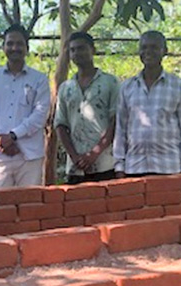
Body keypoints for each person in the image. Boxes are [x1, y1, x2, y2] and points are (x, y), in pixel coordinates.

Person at [113, 31, 181, 178]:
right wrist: (119, 165)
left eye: (154, 47)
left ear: (165, 51)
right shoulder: (127, 87)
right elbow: (121, 129)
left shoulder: (179, 86)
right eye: (144, 47)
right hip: (134, 167)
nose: (148, 52)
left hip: (169, 167)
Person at [0, 24, 51, 188]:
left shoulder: (39, 80)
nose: (14, 48)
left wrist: (12, 136)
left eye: (19, 44)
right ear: (3, 47)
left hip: (29, 156)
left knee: (29, 207)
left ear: (27, 47)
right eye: (10, 43)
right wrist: (1, 141)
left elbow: (40, 115)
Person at [54, 32, 119, 184]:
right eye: (73, 50)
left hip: (104, 164)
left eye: (82, 48)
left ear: (93, 50)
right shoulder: (65, 88)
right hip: (75, 167)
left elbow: (115, 121)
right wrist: (75, 157)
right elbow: (60, 124)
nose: (77, 53)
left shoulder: (110, 82)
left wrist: (94, 154)